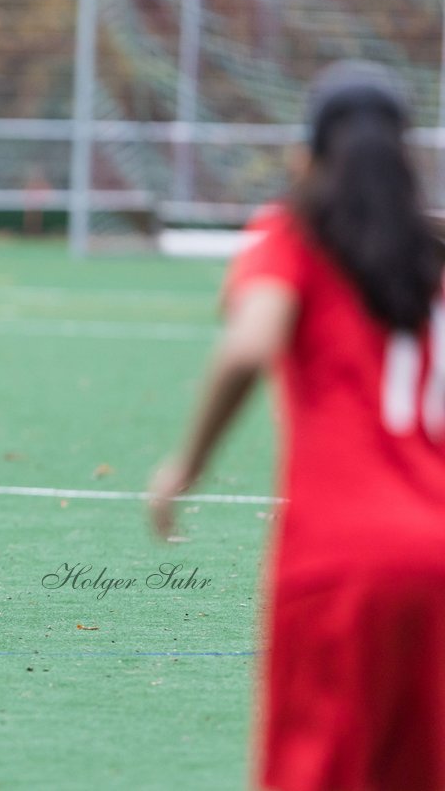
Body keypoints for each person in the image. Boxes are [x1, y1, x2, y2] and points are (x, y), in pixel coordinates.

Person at [148, 61, 445, 790]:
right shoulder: (428, 257)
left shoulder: (297, 232)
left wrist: (186, 465)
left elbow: (249, 345)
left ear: (307, 152)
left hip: (341, 560)